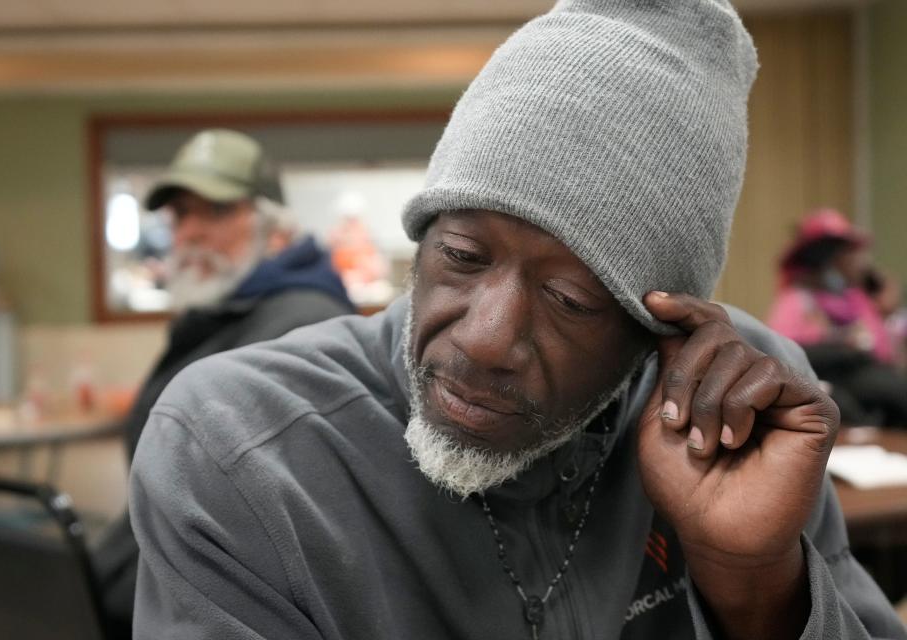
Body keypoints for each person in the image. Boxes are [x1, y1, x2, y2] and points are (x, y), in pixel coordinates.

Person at [130, 2, 907, 639]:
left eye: (571, 300)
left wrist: (756, 585)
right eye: (463, 256)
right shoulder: (246, 447)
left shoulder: (741, 413)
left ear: (658, 332)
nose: (485, 337)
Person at [92, 129, 354, 638]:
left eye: (213, 212)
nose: (188, 232)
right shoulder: (226, 313)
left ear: (275, 231)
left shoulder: (300, 324)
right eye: (179, 215)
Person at [768, 209, 907, 427]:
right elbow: (781, 352)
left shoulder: (856, 299)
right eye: (843, 253)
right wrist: (841, 343)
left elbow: (883, 352)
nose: (854, 260)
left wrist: (887, 314)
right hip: (831, 386)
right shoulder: (798, 300)